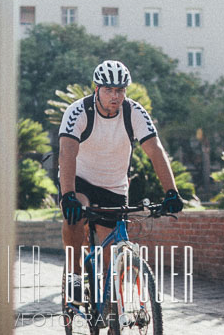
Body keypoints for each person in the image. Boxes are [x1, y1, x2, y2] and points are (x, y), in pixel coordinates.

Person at [57, 60, 183, 305]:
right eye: (108, 90)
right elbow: (67, 153)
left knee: (110, 266)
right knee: (74, 216)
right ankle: (73, 277)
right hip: (80, 181)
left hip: (114, 187)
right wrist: (68, 195)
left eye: (120, 90)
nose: (115, 96)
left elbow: (155, 150)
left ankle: (112, 315)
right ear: (97, 90)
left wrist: (171, 192)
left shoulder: (134, 112)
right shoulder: (78, 111)